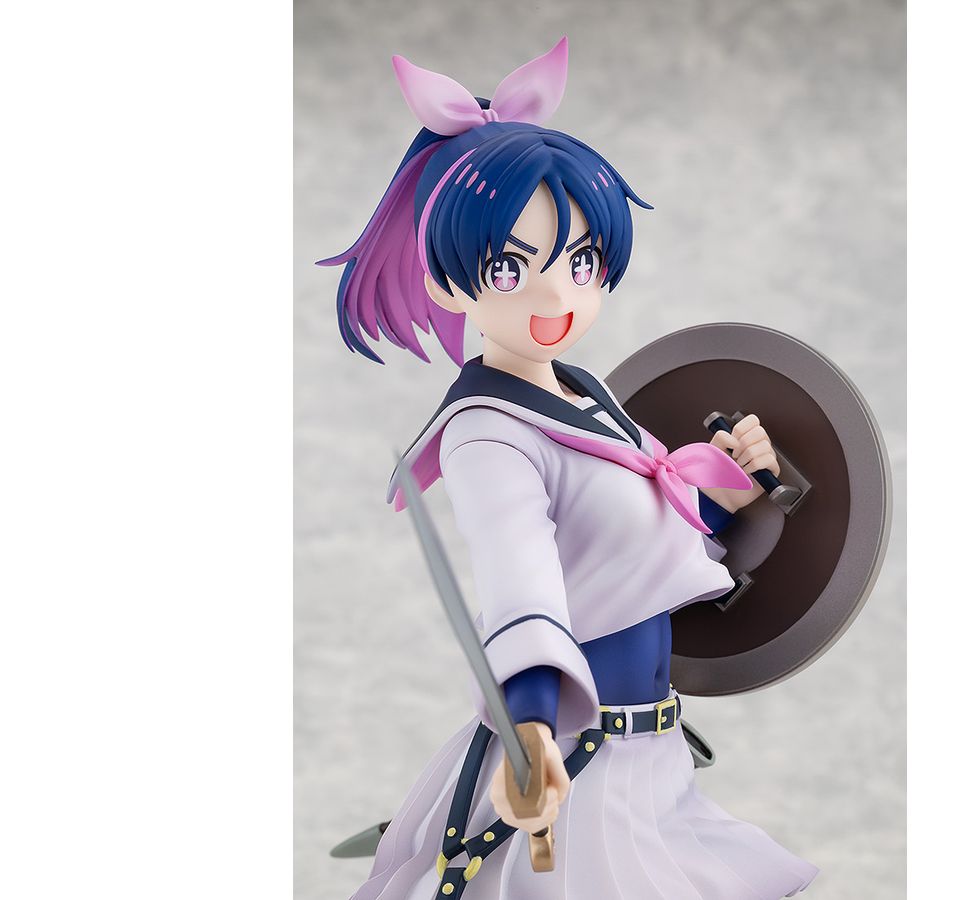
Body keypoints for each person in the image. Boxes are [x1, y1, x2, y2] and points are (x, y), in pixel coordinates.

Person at [320, 37, 818, 900]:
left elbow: (651, 543)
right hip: (574, 772)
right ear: (449, 283)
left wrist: (738, 487)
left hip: (654, 762)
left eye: (580, 262)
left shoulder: (590, 397)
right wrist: (531, 729)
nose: (556, 297)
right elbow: (520, 584)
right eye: (511, 267)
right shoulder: (487, 434)